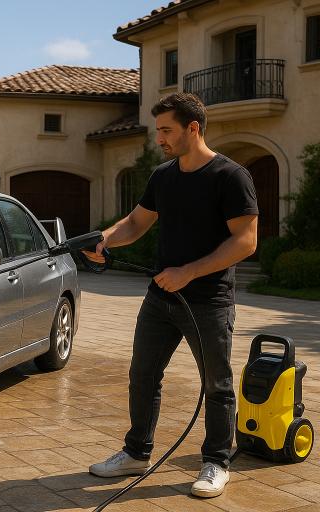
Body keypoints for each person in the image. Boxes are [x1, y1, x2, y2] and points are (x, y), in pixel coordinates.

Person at [85, 92, 258, 498]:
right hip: (160, 298)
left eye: (167, 130)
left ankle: (216, 461)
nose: (159, 138)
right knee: (142, 375)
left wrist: (190, 272)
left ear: (193, 128)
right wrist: (105, 240)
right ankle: (136, 453)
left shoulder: (230, 177)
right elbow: (137, 222)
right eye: (159, 130)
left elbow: (246, 241)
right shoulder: (163, 176)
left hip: (208, 300)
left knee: (216, 384)